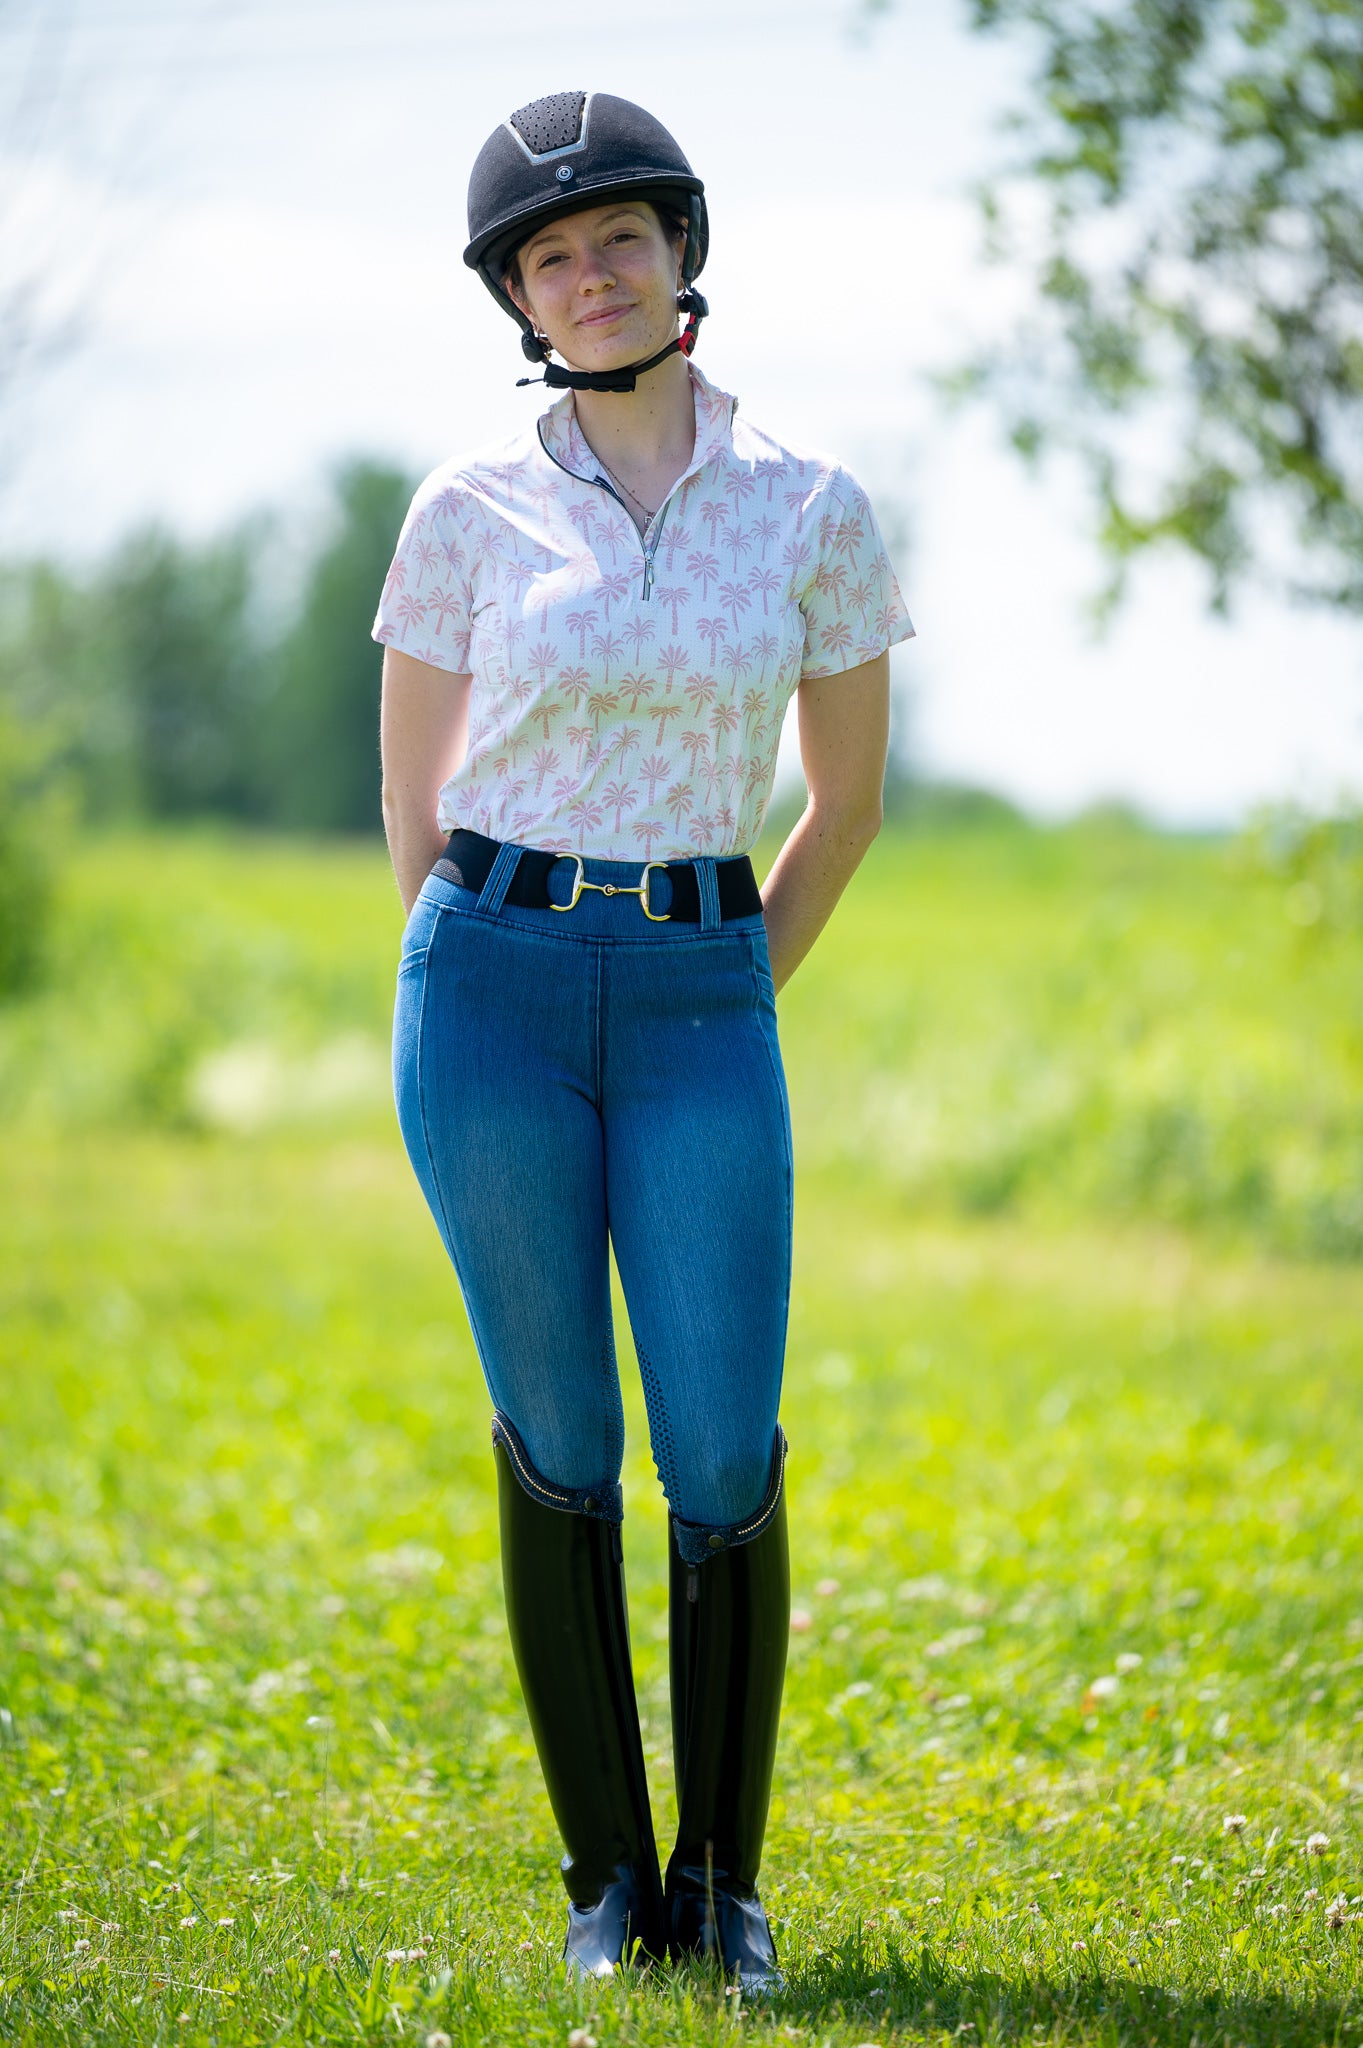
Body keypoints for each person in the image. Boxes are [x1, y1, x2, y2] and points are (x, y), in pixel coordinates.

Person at [374, 90, 914, 1990]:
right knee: (559, 1432)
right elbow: (413, 805)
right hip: (493, 992)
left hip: (703, 996)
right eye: (550, 255)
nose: (590, 277)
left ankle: (730, 1894)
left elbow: (842, 805)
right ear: (519, 296)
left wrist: (723, 989)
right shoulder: (465, 511)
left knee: (718, 1439)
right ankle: (613, 1888)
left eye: (619, 240)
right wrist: (474, 982)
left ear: (681, 252)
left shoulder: (814, 507)